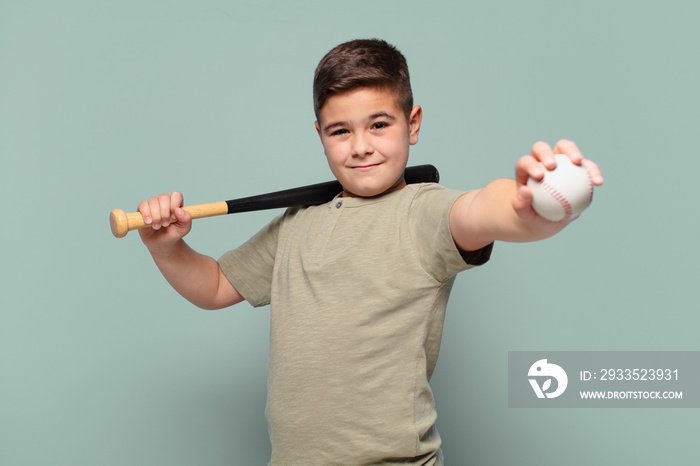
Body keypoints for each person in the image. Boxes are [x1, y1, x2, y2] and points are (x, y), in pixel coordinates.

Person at [135, 39, 603, 465]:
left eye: (379, 125)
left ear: (412, 123)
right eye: (340, 131)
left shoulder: (423, 213)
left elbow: (483, 208)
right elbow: (215, 285)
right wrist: (165, 247)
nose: (360, 147)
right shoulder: (299, 221)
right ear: (319, 133)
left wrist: (530, 206)